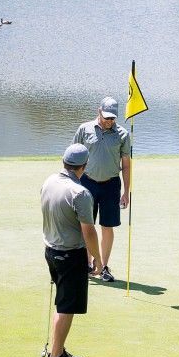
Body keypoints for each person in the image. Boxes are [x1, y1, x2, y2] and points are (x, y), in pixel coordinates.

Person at [41, 143, 103, 357]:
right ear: (84, 166)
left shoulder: (49, 182)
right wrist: (97, 258)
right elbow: (88, 230)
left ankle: (58, 349)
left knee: (62, 302)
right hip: (71, 255)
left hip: (51, 251)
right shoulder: (80, 193)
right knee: (67, 307)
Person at [73, 97, 131, 283]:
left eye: (112, 118)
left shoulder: (122, 134)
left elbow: (127, 165)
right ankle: (88, 264)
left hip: (111, 184)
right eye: (106, 117)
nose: (109, 121)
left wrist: (126, 192)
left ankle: (104, 266)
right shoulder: (84, 129)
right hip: (87, 184)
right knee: (86, 226)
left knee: (107, 226)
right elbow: (73, 159)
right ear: (99, 111)